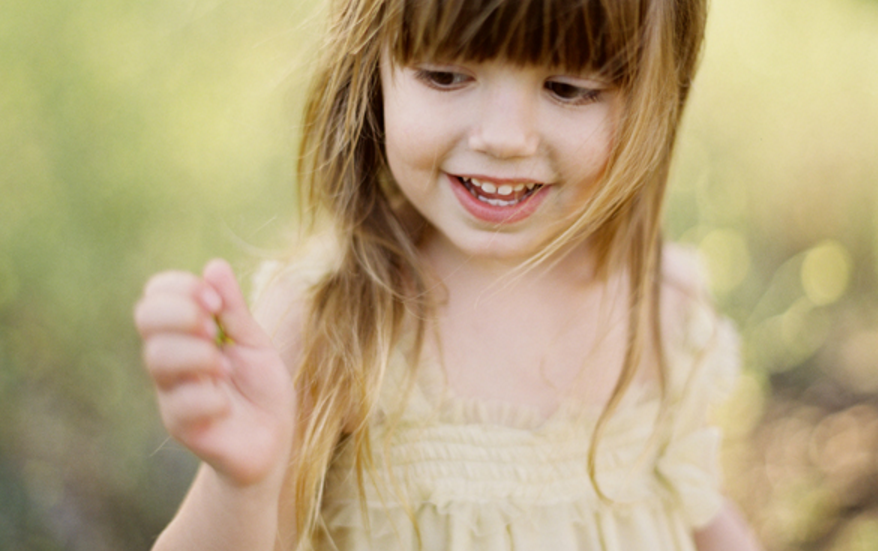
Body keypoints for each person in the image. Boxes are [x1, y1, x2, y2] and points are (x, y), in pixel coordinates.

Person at [134, 0, 764, 549]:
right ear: (370, 67)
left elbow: (698, 513)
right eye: (445, 75)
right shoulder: (333, 320)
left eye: (568, 89)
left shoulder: (660, 304)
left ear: (659, 91)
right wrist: (242, 484)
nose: (505, 137)